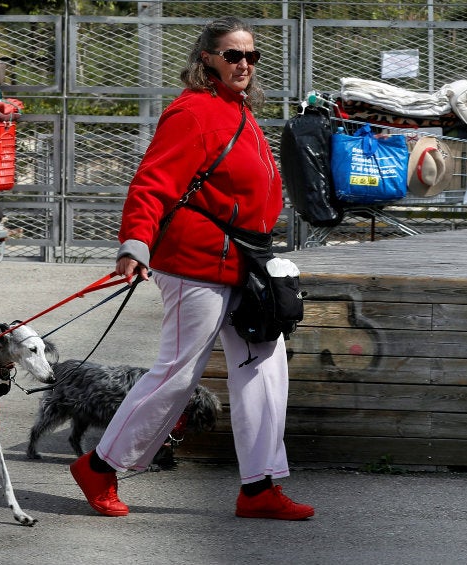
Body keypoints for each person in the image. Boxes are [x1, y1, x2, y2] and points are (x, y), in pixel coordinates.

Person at [69, 16, 314, 521]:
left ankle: (259, 488)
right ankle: (99, 465)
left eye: (251, 56)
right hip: (196, 260)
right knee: (178, 375)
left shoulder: (236, 108)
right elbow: (152, 183)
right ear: (207, 59)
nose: (244, 64)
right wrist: (135, 244)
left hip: (250, 262)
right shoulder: (193, 112)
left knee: (267, 373)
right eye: (233, 55)